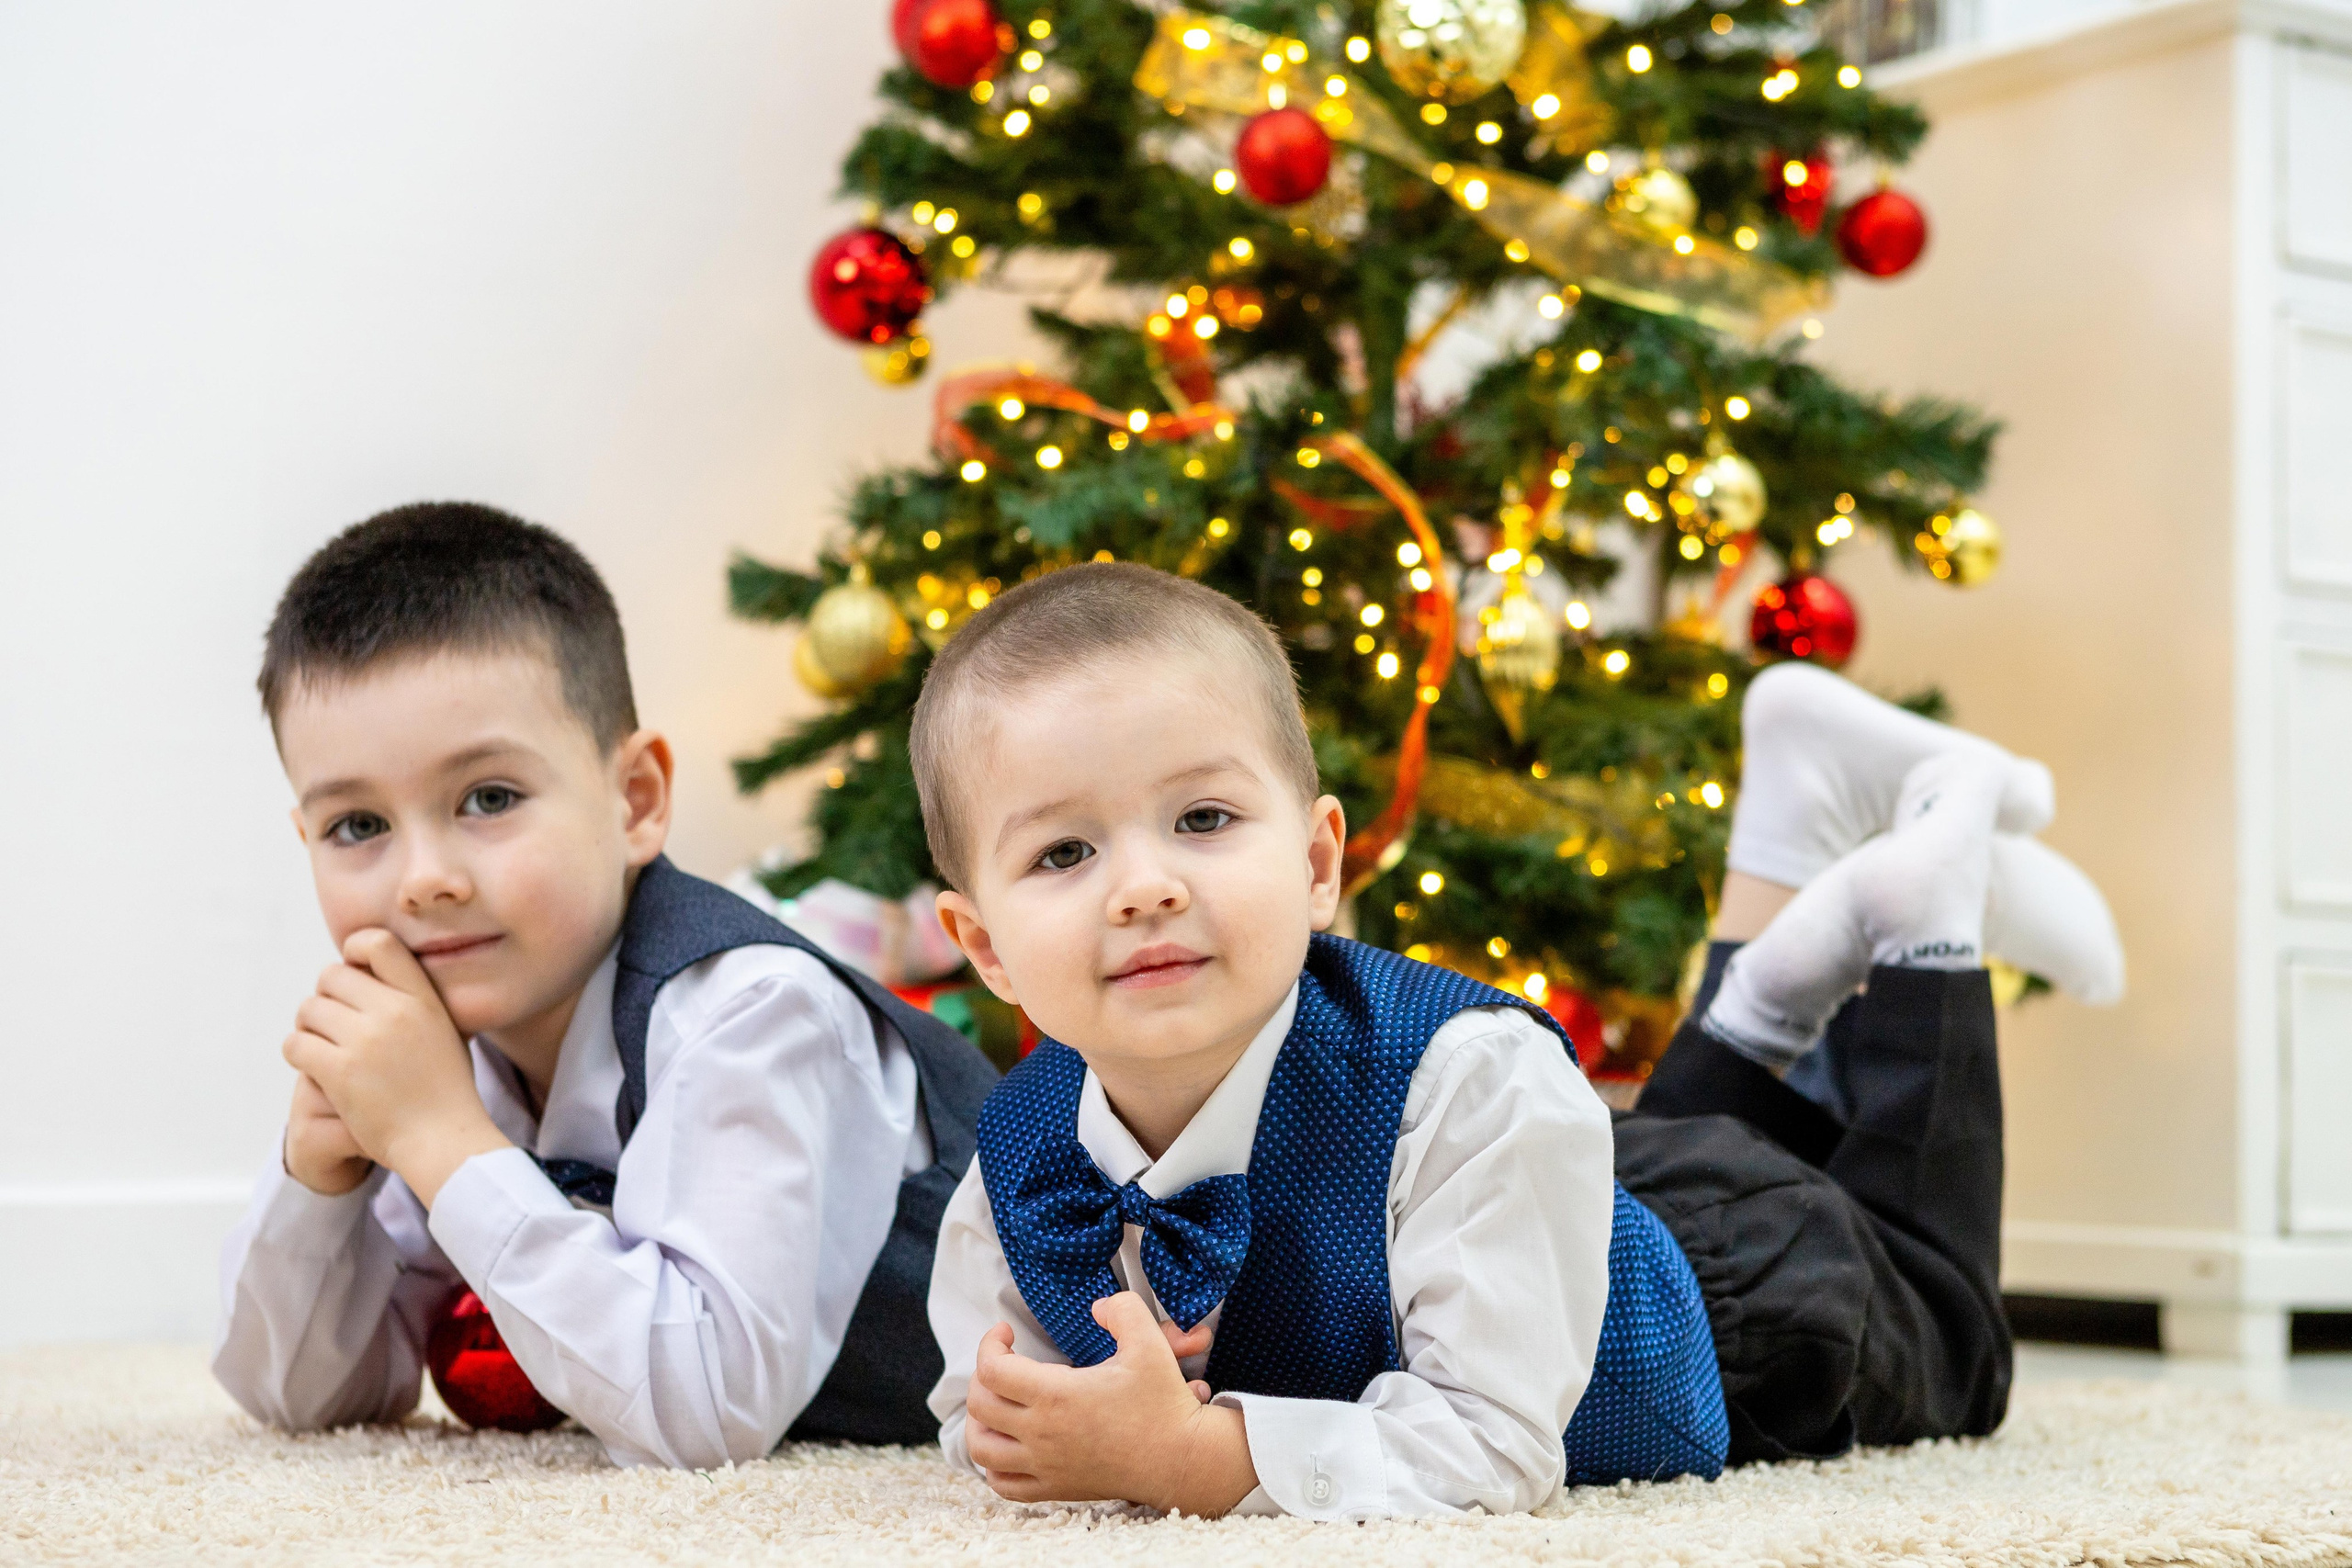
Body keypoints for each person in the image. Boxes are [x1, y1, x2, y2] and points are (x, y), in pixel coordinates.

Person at [910, 561, 2122, 1519]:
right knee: (1619, 1158)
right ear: (986, 946)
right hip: (1530, 1201)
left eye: (1204, 817)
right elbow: (985, 1406)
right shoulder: (1017, 1148)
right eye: (1064, 852)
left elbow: (1494, 1446)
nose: (1144, 886)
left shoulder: (1468, 1073)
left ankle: (1926, 917)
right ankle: (1793, 861)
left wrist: (1196, 1455)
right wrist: (1053, 1421)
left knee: (1954, 1342)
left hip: (1729, 1309)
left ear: (1319, 862)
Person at [212, 502, 996, 1468]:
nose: (423, 879)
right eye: (357, 827)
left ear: (635, 801)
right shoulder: (451, 1045)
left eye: (488, 798)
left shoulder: (748, 1010)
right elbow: (304, 1397)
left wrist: (441, 1141)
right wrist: (318, 1180)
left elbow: (710, 1412)